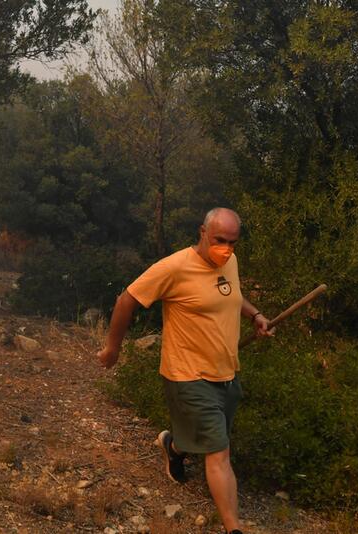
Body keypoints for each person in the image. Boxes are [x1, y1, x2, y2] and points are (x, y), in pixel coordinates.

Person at [97, 207, 272, 534]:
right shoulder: (175, 267)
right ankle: (233, 527)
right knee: (219, 453)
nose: (227, 248)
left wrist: (255, 315)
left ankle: (173, 447)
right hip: (188, 375)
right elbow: (126, 300)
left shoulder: (229, 262)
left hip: (226, 372)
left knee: (208, 439)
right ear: (202, 232)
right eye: (220, 240)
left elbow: (231, 296)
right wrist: (113, 348)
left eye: (233, 242)